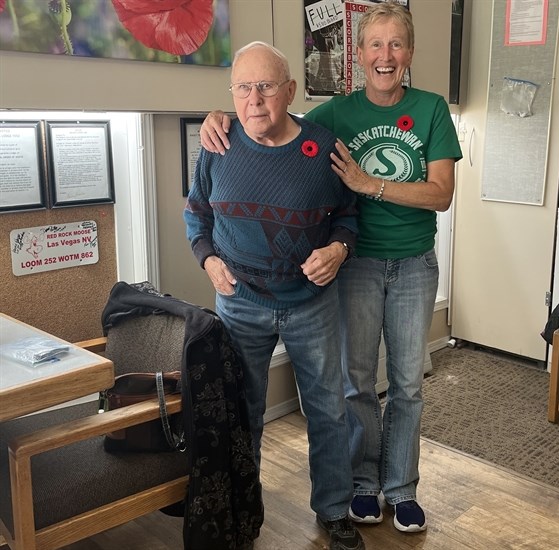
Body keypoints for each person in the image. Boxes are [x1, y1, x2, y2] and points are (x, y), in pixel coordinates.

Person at [200, 2, 462, 534]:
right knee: (357, 382)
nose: (384, 56)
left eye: (395, 45)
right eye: (374, 45)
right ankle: (363, 485)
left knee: (409, 383)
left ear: (409, 53)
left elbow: (440, 195)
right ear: (359, 54)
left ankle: (402, 489)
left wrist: (371, 185)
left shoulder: (433, 109)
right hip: (356, 266)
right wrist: (220, 117)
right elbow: (276, 122)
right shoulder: (334, 115)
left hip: (412, 264)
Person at [184, 41, 366, 550]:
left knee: (328, 410)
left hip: (311, 303)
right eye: (243, 87)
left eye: (266, 86)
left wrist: (338, 248)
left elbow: (349, 216)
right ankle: (245, 511)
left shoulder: (323, 147)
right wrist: (208, 258)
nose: (254, 99)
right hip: (239, 301)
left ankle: (334, 511)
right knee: (245, 411)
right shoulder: (217, 145)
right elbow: (196, 215)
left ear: (289, 91)